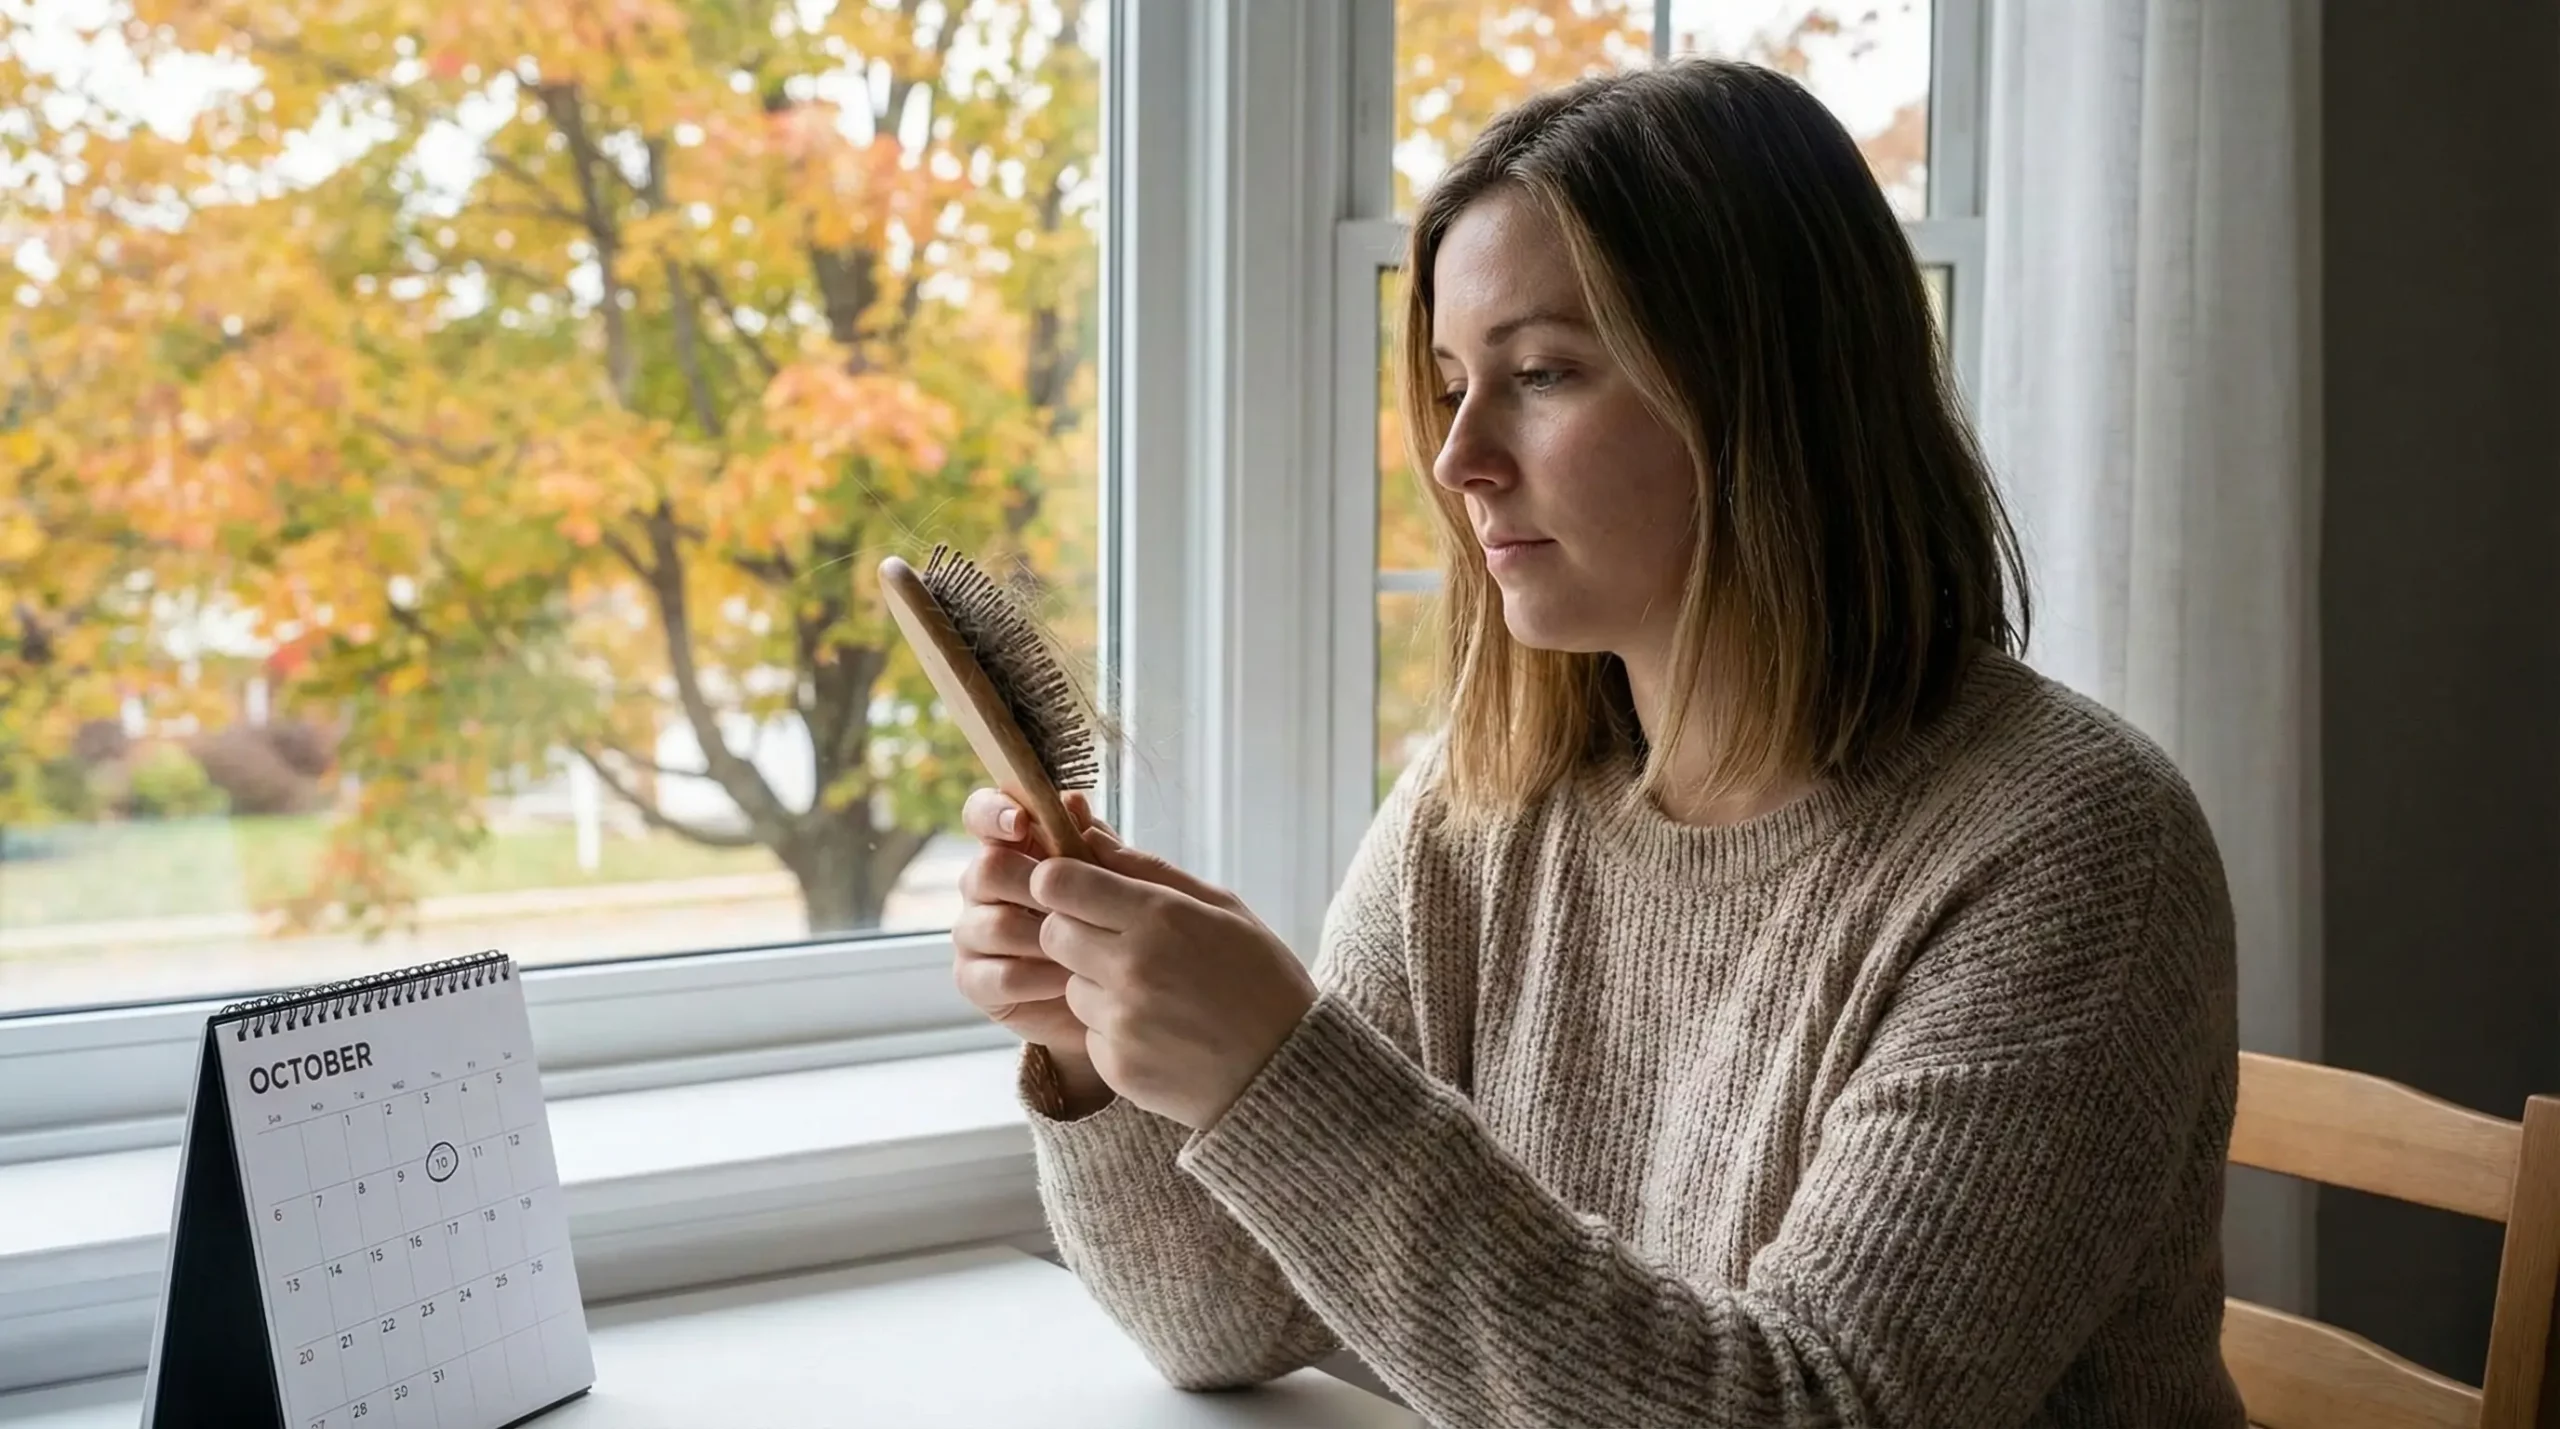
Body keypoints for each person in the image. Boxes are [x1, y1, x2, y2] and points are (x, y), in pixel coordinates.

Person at [948, 57, 2246, 1429]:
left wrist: (1279, 1069)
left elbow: (1815, 1409)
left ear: (1773, 395)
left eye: (1544, 373)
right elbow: (1230, 1324)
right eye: (1451, 382)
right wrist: (1100, 1049)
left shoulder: (2072, 849)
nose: (1458, 461)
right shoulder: (1489, 797)